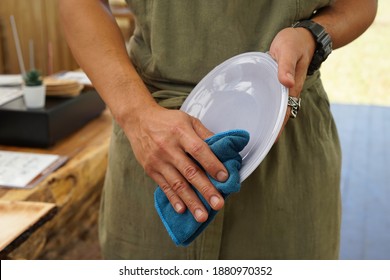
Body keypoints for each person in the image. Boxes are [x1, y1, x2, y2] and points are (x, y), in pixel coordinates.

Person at [59, 0, 377, 259]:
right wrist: (136, 116)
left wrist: (313, 34)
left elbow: (360, 4)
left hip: (286, 148)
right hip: (154, 141)